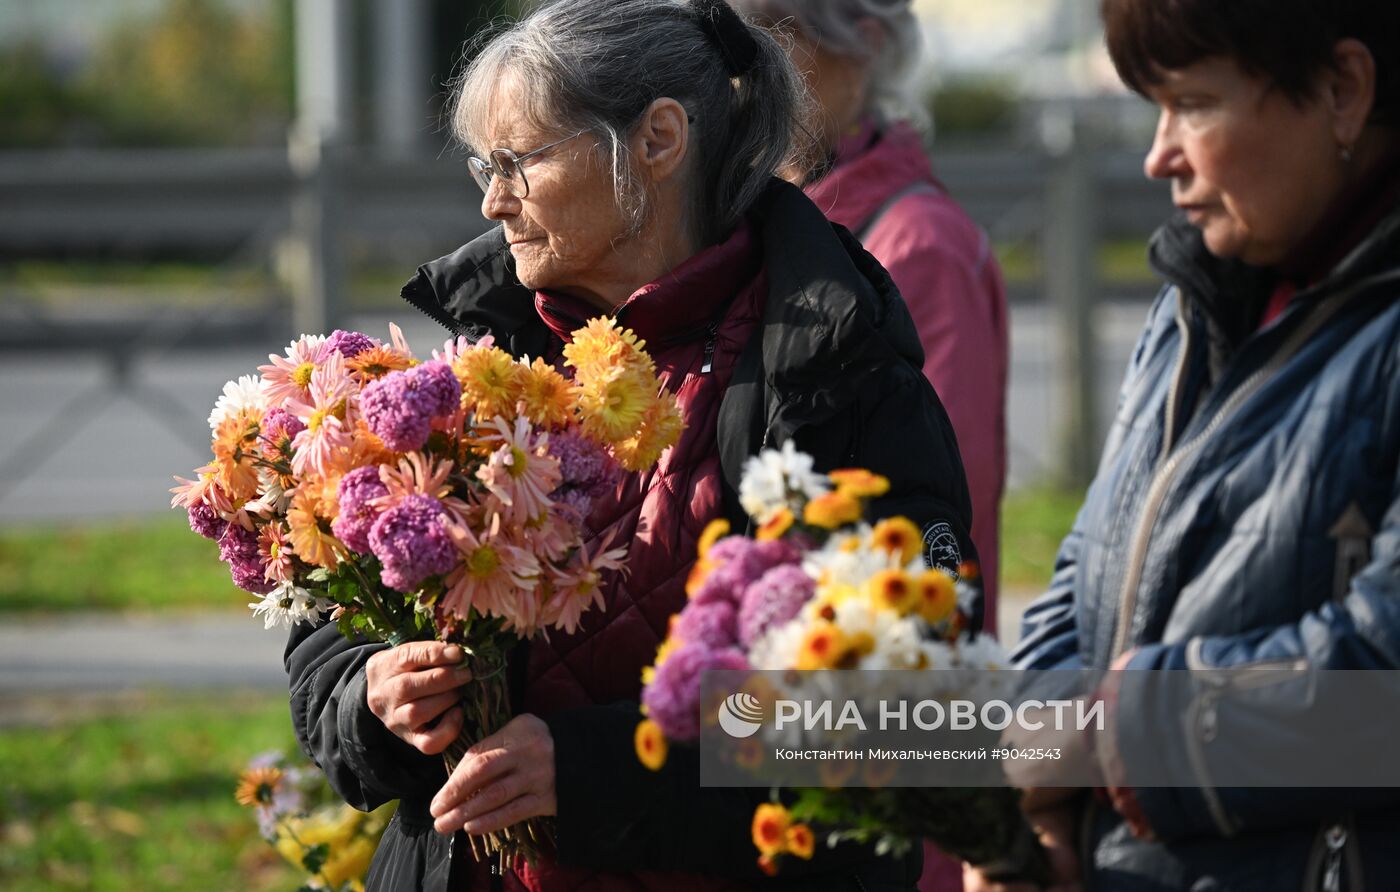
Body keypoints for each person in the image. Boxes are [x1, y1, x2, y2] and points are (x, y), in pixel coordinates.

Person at [286, 1, 978, 890]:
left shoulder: (834, 368)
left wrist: (599, 769)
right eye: (480, 167)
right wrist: (374, 696)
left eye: (517, 163)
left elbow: (904, 713)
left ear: (656, 140)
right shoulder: (479, 357)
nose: (492, 200)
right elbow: (326, 638)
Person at [966, 0, 1400, 889]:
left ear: (1343, 90)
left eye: (1194, 104)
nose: (1158, 154)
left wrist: (1109, 734)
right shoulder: (1192, 307)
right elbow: (1084, 579)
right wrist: (1033, 790)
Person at [729, 0, 1009, 638]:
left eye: (772, 27)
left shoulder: (919, 245)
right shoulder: (759, 224)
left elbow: (938, 509)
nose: (743, 60)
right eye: (730, 28)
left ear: (864, 48)